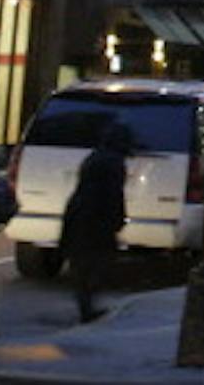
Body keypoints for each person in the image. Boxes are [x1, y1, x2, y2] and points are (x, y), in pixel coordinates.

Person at [60, 123, 132, 323]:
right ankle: (86, 306)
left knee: (84, 262)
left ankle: (85, 304)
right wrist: (117, 218)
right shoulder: (113, 163)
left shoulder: (95, 158)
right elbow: (113, 195)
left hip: (82, 214)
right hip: (96, 219)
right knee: (95, 262)